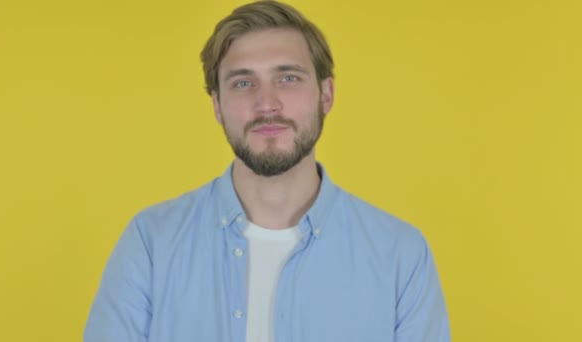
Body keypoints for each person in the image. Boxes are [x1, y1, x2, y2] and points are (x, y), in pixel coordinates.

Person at [84, 1, 450, 341]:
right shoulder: (151, 244)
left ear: (326, 95)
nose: (267, 104)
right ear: (217, 105)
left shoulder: (401, 255)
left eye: (288, 78)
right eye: (243, 83)